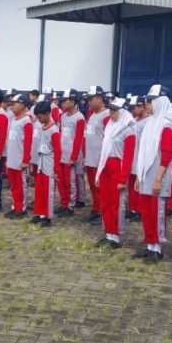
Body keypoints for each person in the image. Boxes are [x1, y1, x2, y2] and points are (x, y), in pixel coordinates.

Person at [133, 85, 172, 263]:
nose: (147, 104)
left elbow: (166, 154)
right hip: (146, 174)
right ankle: (149, 244)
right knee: (146, 211)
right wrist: (138, 175)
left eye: (151, 101)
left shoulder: (166, 126)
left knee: (157, 213)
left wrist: (158, 179)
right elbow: (143, 152)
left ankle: (157, 248)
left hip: (158, 175)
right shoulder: (150, 122)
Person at [94, 96, 136, 249]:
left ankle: (116, 235)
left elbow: (128, 156)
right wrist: (99, 171)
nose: (111, 113)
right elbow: (104, 149)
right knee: (105, 201)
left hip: (118, 166)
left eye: (114, 110)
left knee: (116, 203)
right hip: (106, 165)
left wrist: (123, 178)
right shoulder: (110, 126)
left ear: (123, 111)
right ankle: (108, 232)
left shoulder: (130, 130)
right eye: (110, 110)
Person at [30, 101, 61, 228]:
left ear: (48, 114)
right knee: (40, 188)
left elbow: (58, 150)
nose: (39, 119)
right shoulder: (42, 127)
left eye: (41, 117)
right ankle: (39, 213)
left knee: (48, 189)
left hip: (49, 160)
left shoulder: (54, 129)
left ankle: (47, 216)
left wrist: (56, 168)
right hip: (41, 159)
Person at [83, 86, 110, 226]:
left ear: (99, 99)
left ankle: (102, 212)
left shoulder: (106, 115)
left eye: (91, 99)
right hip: (90, 158)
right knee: (93, 187)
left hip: (100, 158)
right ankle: (95, 209)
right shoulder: (92, 115)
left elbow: (107, 137)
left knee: (101, 188)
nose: (89, 102)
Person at [57, 88, 86, 217]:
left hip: (71, 156)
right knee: (61, 181)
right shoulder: (62, 116)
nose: (63, 103)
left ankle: (70, 205)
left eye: (66, 101)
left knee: (70, 182)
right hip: (62, 153)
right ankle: (63, 203)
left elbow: (78, 139)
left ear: (73, 102)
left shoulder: (79, 118)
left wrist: (74, 156)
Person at [4, 93, 33, 219]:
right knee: (14, 185)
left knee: (21, 185)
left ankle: (21, 209)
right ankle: (15, 206)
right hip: (12, 158)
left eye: (14, 104)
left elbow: (28, 142)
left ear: (21, 105)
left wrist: (26, 160)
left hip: (20, 160)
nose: (11, 107)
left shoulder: (26, 121)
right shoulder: (14, 120)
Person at [128, 94, 149, 220]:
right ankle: (132, 208)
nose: (133, 111)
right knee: (132, 184)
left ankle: (140, 210)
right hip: (133, 156)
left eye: (135, 108)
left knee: (140, 184)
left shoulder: (147, 122)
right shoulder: (134, 121)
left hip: (141, 156)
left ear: (142, 107)